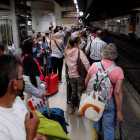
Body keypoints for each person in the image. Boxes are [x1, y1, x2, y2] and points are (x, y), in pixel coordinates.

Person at [0, 54, 47, 140]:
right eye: (21, 76)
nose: (24, 80)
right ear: (14, 84)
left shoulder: (16, 101)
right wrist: (30, 134)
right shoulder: (2, 129)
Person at [85, 43, 124, 140]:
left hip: (95, 100)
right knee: (109, 127)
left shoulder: (94, 65)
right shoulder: (118, 70)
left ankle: (97, 135)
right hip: (109, 102)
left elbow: (86, 82)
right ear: (115, 55)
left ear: (102, 53)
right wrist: (119, 111)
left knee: (96, 118)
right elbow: (118, 92)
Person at [65, 36, 90, 115]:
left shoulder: (66, 51)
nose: (80, 44)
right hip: (79, 76)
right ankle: (80, 110)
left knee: (73, 92)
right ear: (75, 44)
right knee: (80, 93)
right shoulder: (79, 52)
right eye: (79, 43)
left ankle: (71, 108)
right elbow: (86, 63)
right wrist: (90, 73)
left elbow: (66, 63)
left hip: (71, 75)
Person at [22, 40, 41, 110]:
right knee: (30, 96)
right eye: (33, 46)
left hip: (26, 76)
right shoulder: (29, 58)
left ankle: (28, 110)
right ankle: (29, 111)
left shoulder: (24, 55)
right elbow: (31, 72)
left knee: (28, 95)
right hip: (31, 78)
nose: (34, 48)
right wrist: (35, 85)